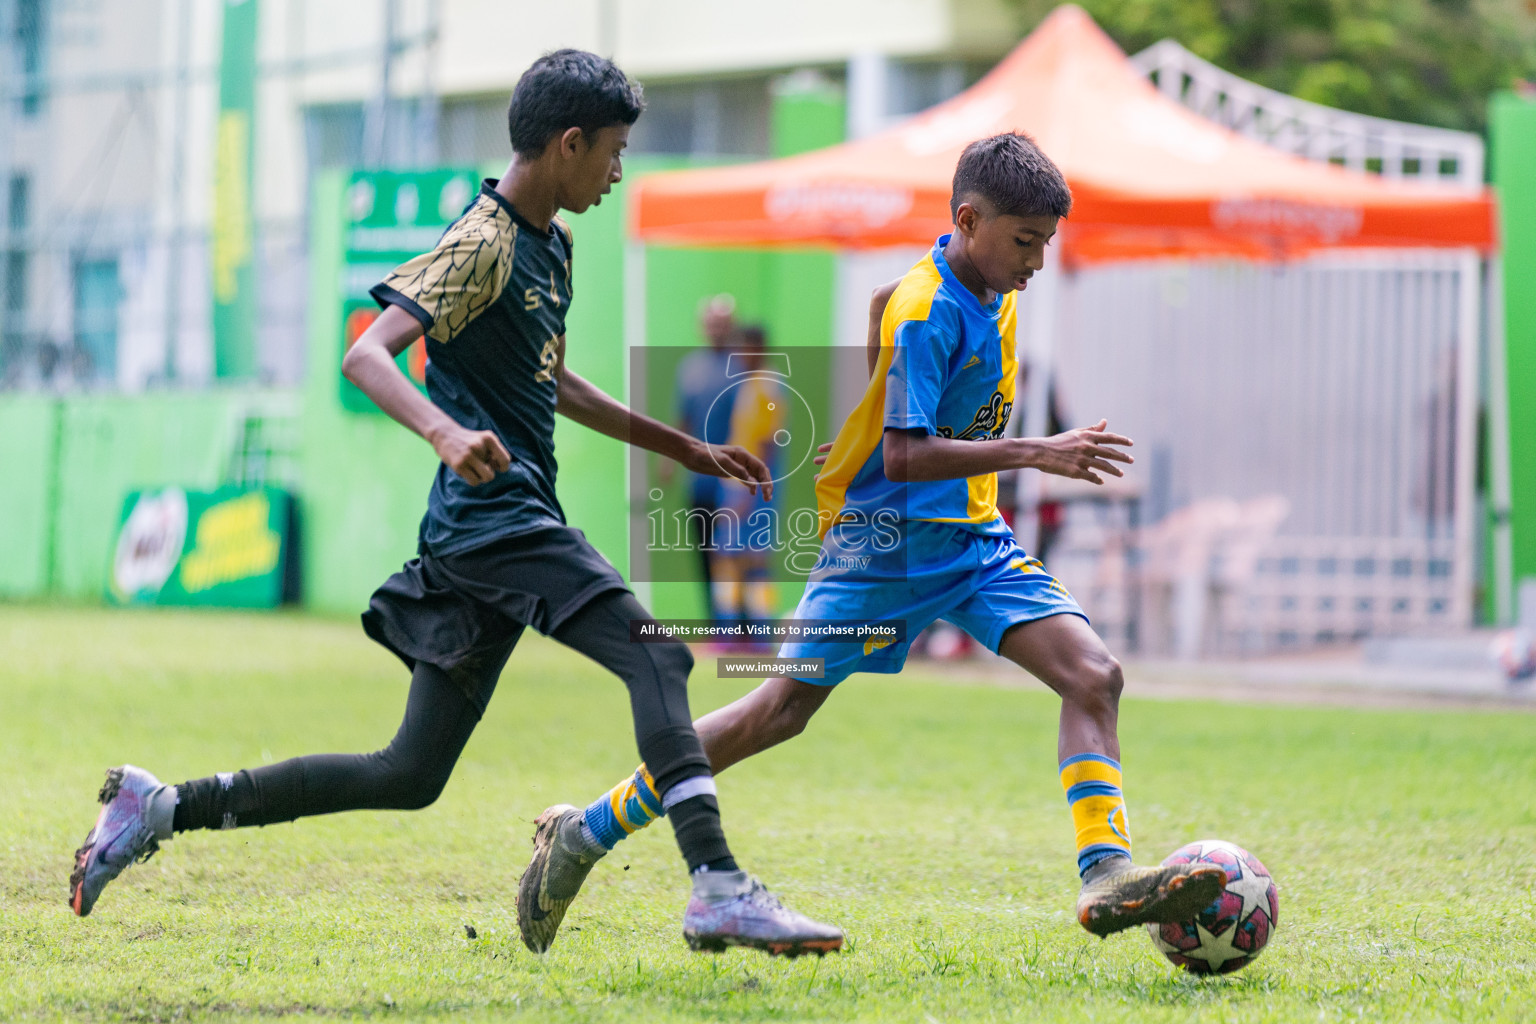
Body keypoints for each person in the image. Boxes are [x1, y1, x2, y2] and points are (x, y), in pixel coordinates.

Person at [68, 49, 842, 959]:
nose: (619, 171)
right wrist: (443, 433)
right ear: (568, 143)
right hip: (498, 522)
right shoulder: (484, 240)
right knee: (660, 660)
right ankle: (716, 886)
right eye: (615, 152)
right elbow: (367, 353)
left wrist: (684, 444)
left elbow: (553, 381)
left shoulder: (549, 241)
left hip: (486, 534)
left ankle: (160, 808)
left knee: (410, 773)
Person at [514, 132, 1227, 953]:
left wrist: (862, 415)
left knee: (1094, 675)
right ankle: (583, 832)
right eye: (1026, 242)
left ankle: (1106, 873)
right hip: (881, 546)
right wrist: (1034, 449)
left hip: (970, 541)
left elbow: (881, 300)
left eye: (1046, 243)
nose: (1037, 261)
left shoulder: (981, 280)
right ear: (968, 219)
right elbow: (906, 455)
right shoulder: (931, 312)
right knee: (777, 713)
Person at [670, 294, 739, 627]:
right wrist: (668, 459)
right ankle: (717, 624)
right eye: (712, 323)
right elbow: (683, 418)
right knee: (705, 553)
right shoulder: (691, 369)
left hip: (735, 481)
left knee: (735, 553)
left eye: (722, 324)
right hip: (699, 478)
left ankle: (742, 625)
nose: (717, 329)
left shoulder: (742, 366)